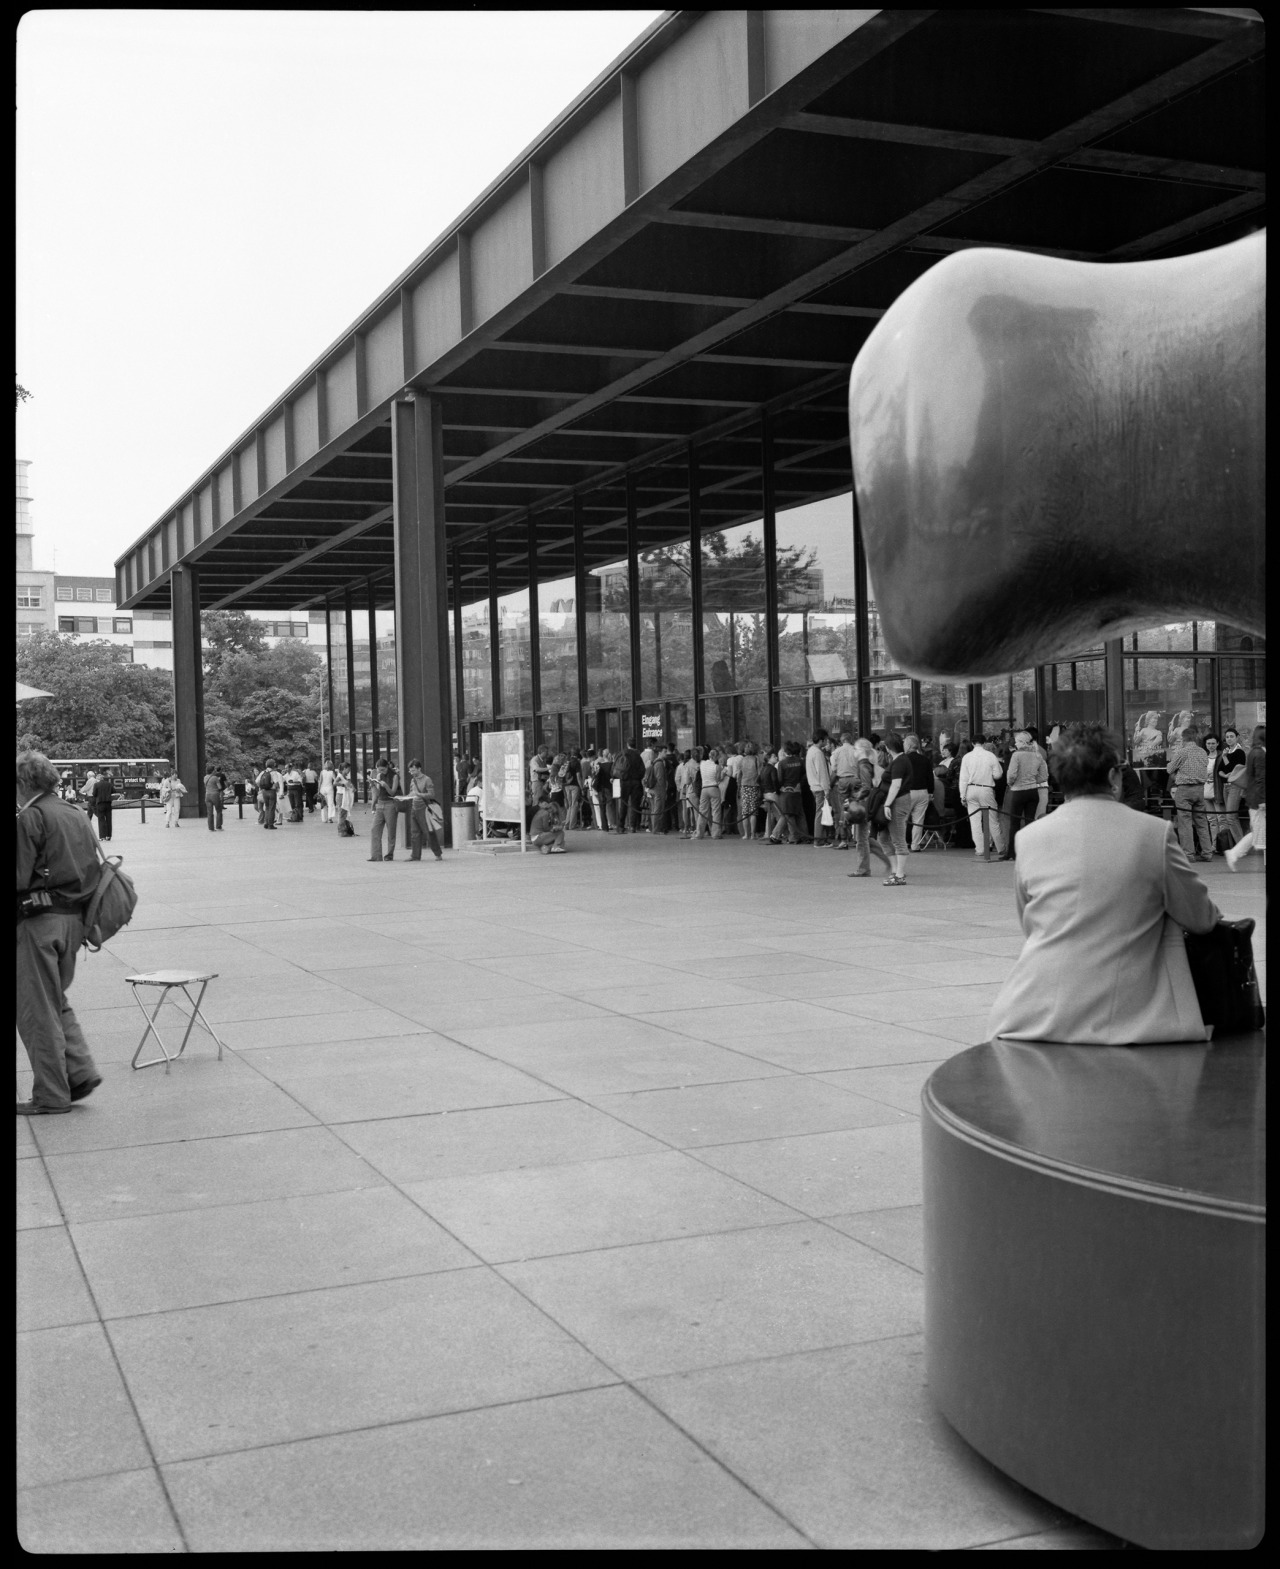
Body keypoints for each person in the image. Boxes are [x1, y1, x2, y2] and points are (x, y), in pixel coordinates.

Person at [987, 724, 1220, 1044]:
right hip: (1135, 1018)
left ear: (1060, 777)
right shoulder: (1152, 833)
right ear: (1113, 777)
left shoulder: (1028, 838)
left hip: (1031, 1015)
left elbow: (1031, 925)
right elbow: (1201, 918)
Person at [16, 751, 104, 1114]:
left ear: (23, 783)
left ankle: (51, 1095)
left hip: (38, 923)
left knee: (37, 1009)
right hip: (74, 923)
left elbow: (19, 877)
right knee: (53, 1000)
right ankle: (80, 1072)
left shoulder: (30, 817)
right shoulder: (74, 813)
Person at [1165, 723, 1214, 861]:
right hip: (1200, 789)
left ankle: (1189, 854)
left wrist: (1176, 771)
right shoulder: (1203, 752)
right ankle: (1207, 852)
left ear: (1184, 739)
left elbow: (1169, 769)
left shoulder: (1182, 752)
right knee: (1202, 822)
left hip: (1184, 790)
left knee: (1185, 823)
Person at [1000, 730, 1048, 860]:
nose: (1015, 743)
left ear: (1021, 742)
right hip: (1033, 791)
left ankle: (1012, 852)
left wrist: (1011, 783)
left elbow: (1011, 774)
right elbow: (1044, 776)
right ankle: (1029, 852)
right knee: (1030, 822)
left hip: (1018, 790)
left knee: (1014, 823)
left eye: (1016, 741)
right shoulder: (1037, 755)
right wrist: (1032, 780)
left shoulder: (1017, 755)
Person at [1225, 724, 1266, 871]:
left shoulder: (1254, 752)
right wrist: (1262, 801)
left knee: (1257, 831)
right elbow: (1260, 778)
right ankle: (1233, 853)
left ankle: (1234, 853)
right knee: (1257, 832)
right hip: (1258, 799)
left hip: (1254, 797)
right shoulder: (1260, 753)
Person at [875, 730, 913, 885]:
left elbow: (896, 785)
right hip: (898, 800)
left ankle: (899, 874)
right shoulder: (901, 760)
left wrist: (887, 804)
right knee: (883, 837)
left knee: (897, 837)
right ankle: (896, 870)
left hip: (897, 801)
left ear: (889, 747)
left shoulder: (899, 762)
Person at [959, 734, 1005, 859]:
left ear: (972, 743)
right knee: (992, 820)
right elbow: (998, 774)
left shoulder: (967, 757)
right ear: (984, 743)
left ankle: (980, 849)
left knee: (975, 822)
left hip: (971, 789)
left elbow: (963, 778)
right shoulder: (990, 756)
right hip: (986, 789)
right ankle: (1000, 847)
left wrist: (962, 795)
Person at [406, 759, 444, 862]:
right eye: (410, 771)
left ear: (419, 769)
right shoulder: (412, 780)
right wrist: (405, 797)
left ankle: (437, 854)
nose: (412, 773)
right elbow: (411, 793)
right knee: (414, 832)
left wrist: (419, 795)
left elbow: (431, 794)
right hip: (414, 807)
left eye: (413, 770)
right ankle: (415, 855)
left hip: (424, 809)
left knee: (428, 832)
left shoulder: (427, 779)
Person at [1217, 727, 1248, 847]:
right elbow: (1220, 771)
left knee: (1231, 817)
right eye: (1227, 737)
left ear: (1237, 737)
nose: (1229, 739)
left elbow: (1233, 769)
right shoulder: (1227, 752)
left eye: (1231, 736)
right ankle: (1239, 845)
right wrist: (1226, 774)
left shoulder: (1239, 752)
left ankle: (1241, 846)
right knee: (1229, 816)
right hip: (1226, 786)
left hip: (1235, 786)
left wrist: (1224, 758)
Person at [902, 734, 933, 851]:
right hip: (922, 792)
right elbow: (930, 777)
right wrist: (930, 792)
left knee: (902, 820)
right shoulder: (925, 759)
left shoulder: (903, 759)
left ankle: (902, 844)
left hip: (907, 792)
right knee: (918, 821)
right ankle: (915, 845)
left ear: (909, 746)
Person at [805, 729, 835, 847]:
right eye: (826, 740)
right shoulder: (818, 753)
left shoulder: (810, 751)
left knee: (820, 812)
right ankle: (818, 839)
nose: (826, 742)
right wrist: (826, 789)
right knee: (821, 813)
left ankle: (821, 838)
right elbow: (822, 772)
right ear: (821, 740)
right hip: (820, 787)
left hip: (814, 786)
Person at [368, 757, 402, 861]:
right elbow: (378, 792)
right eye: (379, 770)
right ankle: (376, 855)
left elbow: (392, 792)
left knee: (391, 830)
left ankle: (389, 854)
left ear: (387, 767)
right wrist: (375, 784)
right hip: (380, 804)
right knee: (375, 829)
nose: (381, 772)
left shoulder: (395, 776)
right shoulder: (379, 775)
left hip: (390, 804)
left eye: (383, 770)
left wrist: (386, 785)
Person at [695, 747, 724, 839]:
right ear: (717, 757)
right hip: (714, 788)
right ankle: (715, 833)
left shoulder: (702, 763)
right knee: (716, 811)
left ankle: (699, 833)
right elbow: (718, 779)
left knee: (702, 811)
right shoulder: (717, 767)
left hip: (704, 789)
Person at [736, 741, 761, 840]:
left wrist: (739, 785)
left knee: (745, 812)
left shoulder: (742, 760)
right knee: (753, 812)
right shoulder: (757, 759)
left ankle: (746, 834)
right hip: (754, 785)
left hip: (744, 786)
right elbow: (759, 773)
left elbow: (738, 775)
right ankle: (753, 834)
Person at [90, 769, 116, 842]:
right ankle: (108, 836)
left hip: (100, 804)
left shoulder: (96, 784)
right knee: (108, 819)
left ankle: (102, 836)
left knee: (101, 820)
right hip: (108, 803)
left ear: (98, 779)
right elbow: (114, 791)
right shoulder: (109, 784)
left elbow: (94, 794)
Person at [256, 760, 279, 829]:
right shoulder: (273, 773)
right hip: (271, 791)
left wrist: (262, 787)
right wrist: (276, 787)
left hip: (264, 792)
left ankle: (266, 823)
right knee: (272, 808)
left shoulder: (263, 772)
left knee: (267, 807)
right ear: (273, 765)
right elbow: (276, 783)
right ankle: (270, 824)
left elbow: (257, 781)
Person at [203, 765, 224, 832]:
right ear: (212, 771)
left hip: (207, 795)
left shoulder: (205, 777)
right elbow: (219, 787)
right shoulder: (215, 778)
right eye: (214, 770)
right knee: (218, 810)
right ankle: (218, 826)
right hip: (215, 795)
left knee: (209, 813)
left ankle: (211, 828)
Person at [318, 759, 336, 823]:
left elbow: (320, 782)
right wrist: (333, 786)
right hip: (329, 788)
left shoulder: (322, 772)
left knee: (323, 804)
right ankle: (330, 818)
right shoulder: (332, 772)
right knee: (330, 803)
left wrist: (318, 790)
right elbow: (335, 780)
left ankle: (324, 818)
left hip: (322, 789)